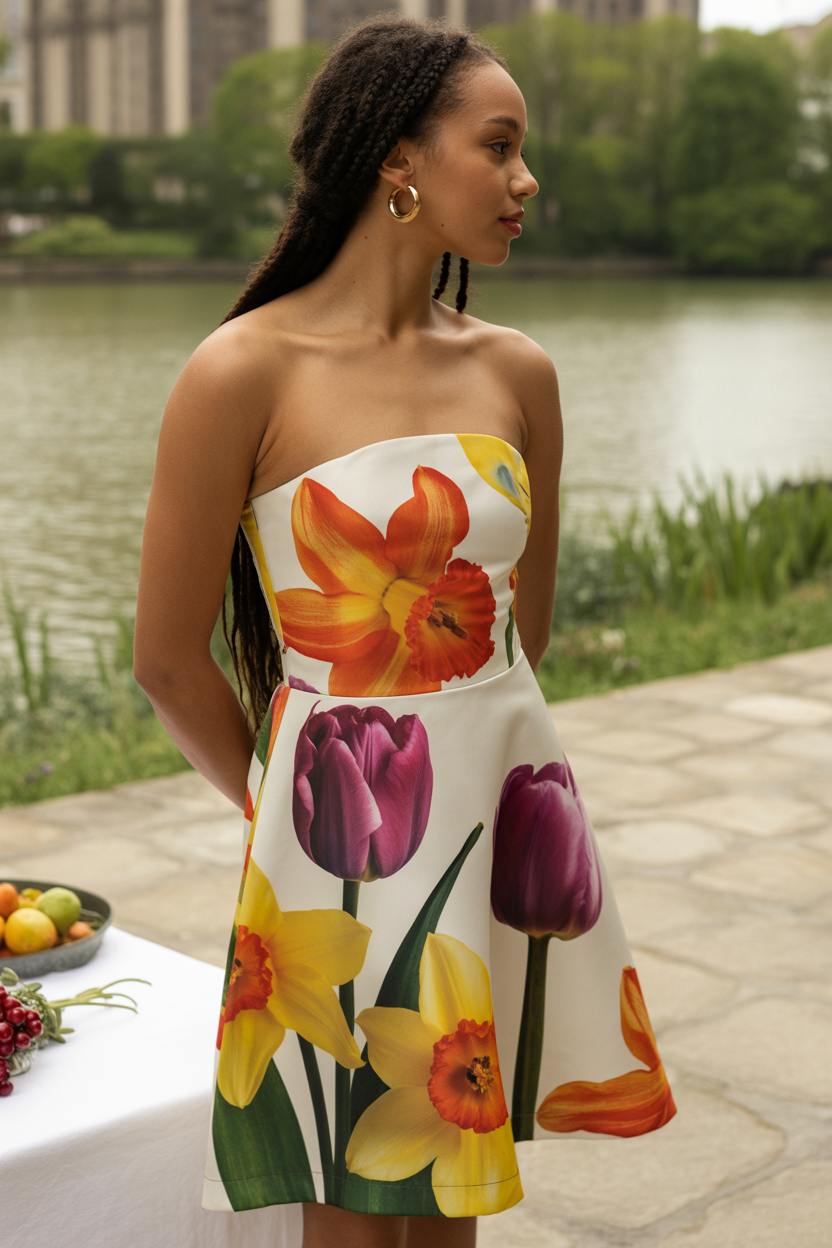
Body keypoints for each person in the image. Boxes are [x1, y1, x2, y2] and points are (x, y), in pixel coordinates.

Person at [135, 16, 675, 1248]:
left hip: (494, 816)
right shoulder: (240, 371)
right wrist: (299, 806)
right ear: (398, 160)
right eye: (500, 146)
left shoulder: (518, 372)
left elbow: (513, 646)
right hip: (339, 840)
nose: (526, 179)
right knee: (354, 1199)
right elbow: (166, 658)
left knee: (449, 1174)